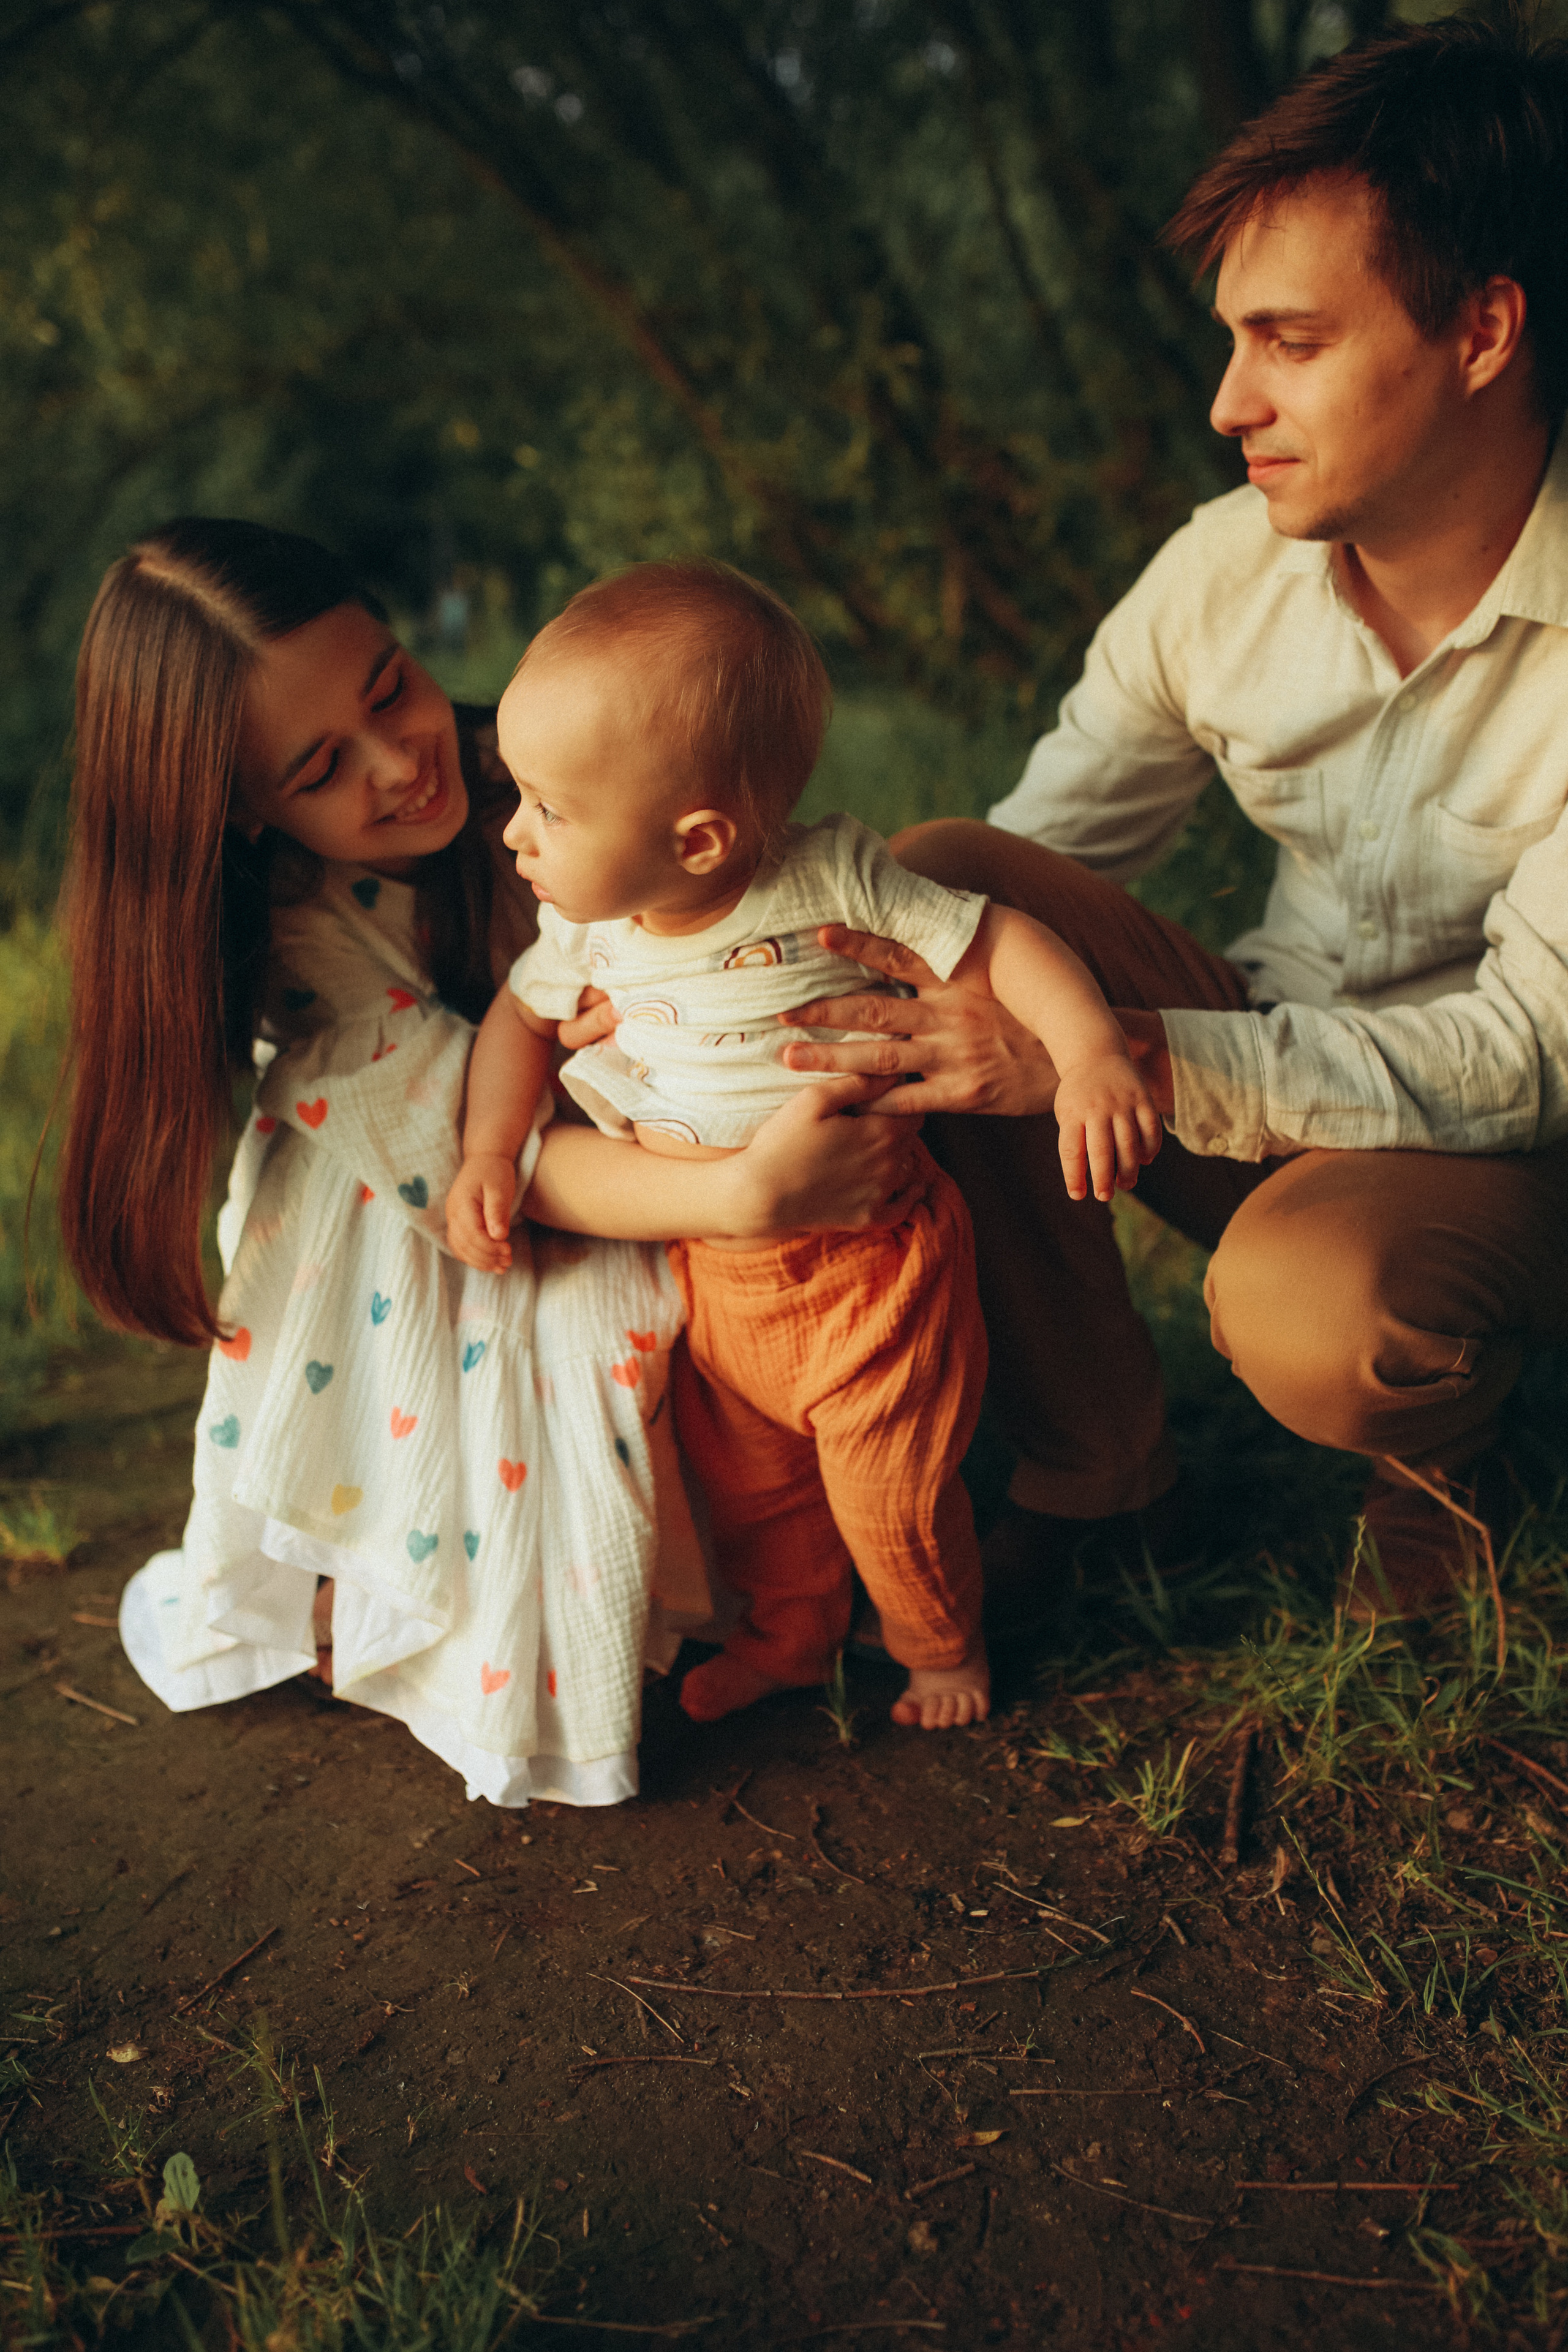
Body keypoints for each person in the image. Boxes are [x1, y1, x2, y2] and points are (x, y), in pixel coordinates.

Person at [771, 12, 1568, 1620]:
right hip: (1282, 1065)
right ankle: (1100, 1471)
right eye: (1231, 342)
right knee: (941, 904)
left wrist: (1115, 1053)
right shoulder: (1224, 573)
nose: (1228, 403)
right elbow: (1028, 862)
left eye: (1292, 342)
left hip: (1535, 1146)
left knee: (1307, 1304)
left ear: (1484, 331)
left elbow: (1530, 1054)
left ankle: (1440, 1483)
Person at [60, 520, 911, 1806]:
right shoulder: (314, 937)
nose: (402, 763)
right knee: (574, 1317)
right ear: (241, 814)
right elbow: (486, 1161)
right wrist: (738, 1194)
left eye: (389, 687)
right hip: (450, 1211)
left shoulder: (561, 762)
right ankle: (413, 1544)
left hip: (651, 1134)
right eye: (319, 766)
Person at [443, 561, 1162, 1727]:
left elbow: (998, 941)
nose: (516, 834)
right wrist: (487, 1151)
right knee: (754, 1493)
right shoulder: (587, 925)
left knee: (892, 1492)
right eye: (521, 798)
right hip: (713, 1271)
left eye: (550, 809)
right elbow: (516, 1023)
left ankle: (940, 1649)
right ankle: (792, 1638)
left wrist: (1088, 1055)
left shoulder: (829, 877)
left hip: (870, 1262)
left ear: (700, 840)